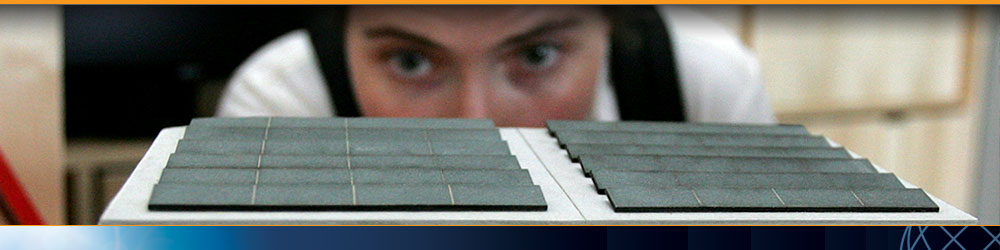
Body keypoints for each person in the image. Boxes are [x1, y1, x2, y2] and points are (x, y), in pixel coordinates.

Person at [216, 6, 776, 127]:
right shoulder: (279, 106)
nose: (477, 124)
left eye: (536, 55)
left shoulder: (707, 81)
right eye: (410, 62)